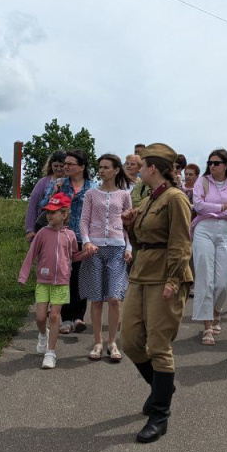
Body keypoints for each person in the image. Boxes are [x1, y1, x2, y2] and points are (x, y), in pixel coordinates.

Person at [121, 143, 193, 443]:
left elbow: (180, 243)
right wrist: (130, 227)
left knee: (158, 346)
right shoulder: (152, 198)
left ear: (153, 168)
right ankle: (162, 386)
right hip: (140, 273)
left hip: (165, 276)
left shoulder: (175, 198)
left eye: (143, 165)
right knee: (130, 342)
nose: (138, 169)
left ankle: (160, 413)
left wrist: (175, 281)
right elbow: (142, 242)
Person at [18, 193, 84, 369]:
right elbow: (31, 255)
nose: (49, 215)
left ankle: (51, 352)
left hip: (62, 282)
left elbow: (74, 256)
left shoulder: (70, 235)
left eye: (53, 212)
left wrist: (86, 254)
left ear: (64, 214)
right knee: (40, 317)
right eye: (47, 211)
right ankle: (42, 334)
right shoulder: (42, 234)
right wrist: (23, 276)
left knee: (54, 316)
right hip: (43, 281)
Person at [79, 154, 132, 361]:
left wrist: (129, 247)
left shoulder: (124, 195)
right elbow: (84, 221)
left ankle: (112, 341)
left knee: (114, 298)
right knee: (97, 299)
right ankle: (98, 342)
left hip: (118, 249)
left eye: (106, 167)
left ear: (116, 170)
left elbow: (129, 226)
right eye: (100, 167)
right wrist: (87, 241)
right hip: (95, 250)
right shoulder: (91, 193)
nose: (101, 171)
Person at [191, 149, 227, 344]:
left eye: (216, 163)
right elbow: (198, 206)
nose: (212, 166)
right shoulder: (202, 181)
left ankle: (215, 311)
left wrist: (212, 209)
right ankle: (207, 327)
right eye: (210, 162)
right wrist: (221, 208)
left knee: (224, 282)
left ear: (226, 165)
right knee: (205, 276)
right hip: (203, 229)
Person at [43, 150, 94, 334]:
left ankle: (79, 317)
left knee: (81, 278)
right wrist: (53, 194)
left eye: (70, 164)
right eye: (65, 164)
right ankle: (65, 318)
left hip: (83, 238)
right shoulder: (59, 184)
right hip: (61, 237)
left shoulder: (92, 187)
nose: (66, 167)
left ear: (81, 167)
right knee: (63, 277)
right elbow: (44, 204)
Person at [24, 150, 66, 242]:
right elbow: (32, 206)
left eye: (61, 166)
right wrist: (30, 230)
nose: (58, 169)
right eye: (55, 166)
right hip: (43, 226)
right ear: (51, 165)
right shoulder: (43, 182)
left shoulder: (71, 182)